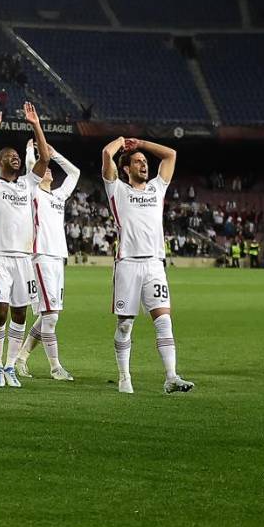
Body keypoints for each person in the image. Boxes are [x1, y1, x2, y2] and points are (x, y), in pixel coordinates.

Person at [101, 136, 194, 394]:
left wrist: (141, 144)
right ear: (126, 169)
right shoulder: (117, 190)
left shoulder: (156, 188)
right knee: (125, 324)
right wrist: (122, 142)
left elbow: (170, 155)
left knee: (164, 321)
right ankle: (124, 377)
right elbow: (106, 154)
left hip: (155, 264)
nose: (144, 165)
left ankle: (171, 376)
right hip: (128, 264)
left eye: (144, 162)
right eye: (138, 162)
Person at [0, 102, 49, 389]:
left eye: (18, 156)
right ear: (0, 162)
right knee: (0, 313)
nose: (16, 159)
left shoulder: (27, 185)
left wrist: (36, 125)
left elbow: (44, 158)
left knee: (20, 313)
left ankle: (10, 366)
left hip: (24, 258)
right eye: (10, 156)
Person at [14, 139, 81, 382]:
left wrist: (56, 154)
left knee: (48, 315)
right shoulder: (32, 192)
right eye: (46, 167)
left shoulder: (58, 196)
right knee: (50, 315)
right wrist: (31, 150)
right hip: (40, 256)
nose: (49, 168)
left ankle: (21, 358)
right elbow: (33, 165)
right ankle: (55, 367)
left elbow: (75, 173)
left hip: (58, 258)